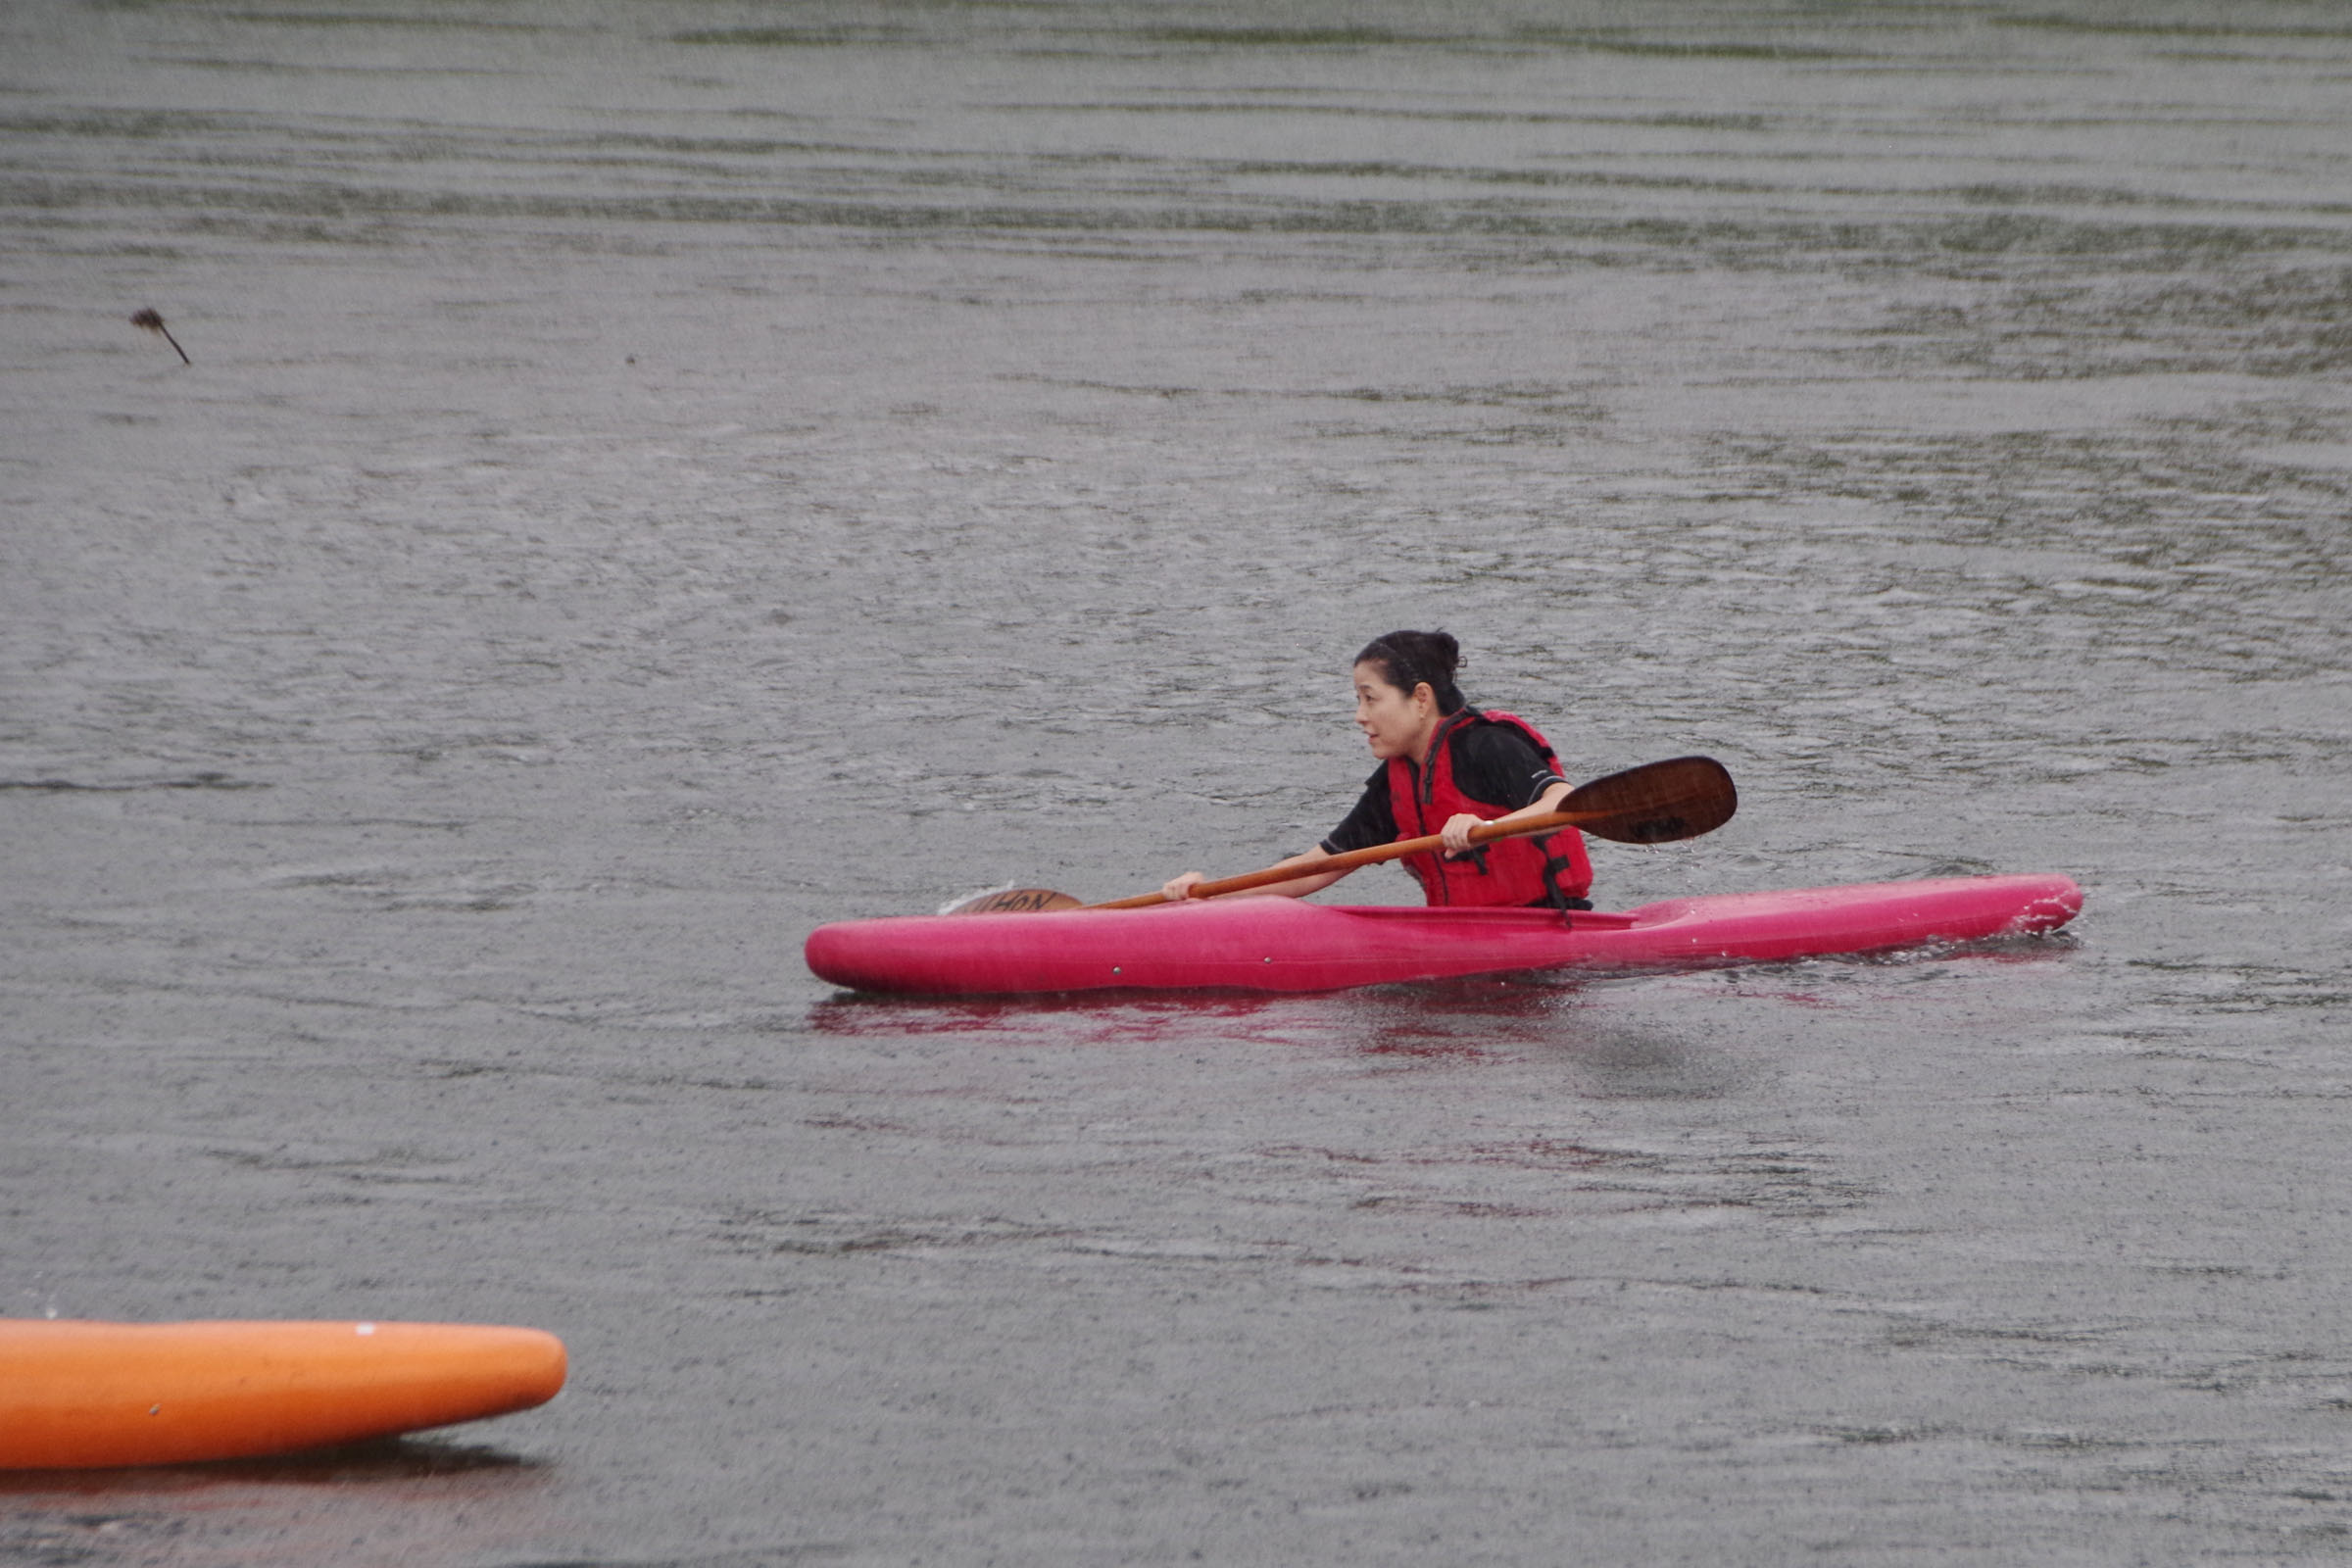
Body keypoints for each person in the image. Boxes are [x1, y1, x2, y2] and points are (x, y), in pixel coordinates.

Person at [1161, 630, 1593, 909]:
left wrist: (1483, 823)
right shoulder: (1398, 779)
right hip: (1463, 935)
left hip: (1545, 934)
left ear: (1420, 699)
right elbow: (1315, 866)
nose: (1359, 716)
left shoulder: (1489, 746)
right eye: (1358, 700)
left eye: (1370, 698)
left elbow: (1562, 802)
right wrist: (1208, 896)